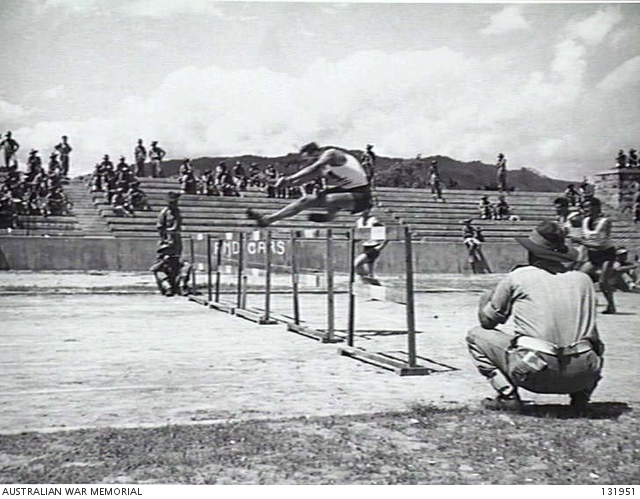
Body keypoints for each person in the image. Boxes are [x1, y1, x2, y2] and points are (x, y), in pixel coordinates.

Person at [466, 220, 605, 414]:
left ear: (531, 252)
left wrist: (485, 300)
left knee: (475, 335)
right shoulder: (583, 280)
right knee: (592, 342)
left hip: (534, 371)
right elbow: (596, 340)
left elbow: (488, 322)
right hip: (582, 374)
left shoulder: (519, 276)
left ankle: (507, 395)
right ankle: (581, 398)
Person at [247, 142, 372, 227]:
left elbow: (313, 167)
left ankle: (331, 215)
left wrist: (289, 178)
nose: (307, 162)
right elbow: (296, 182)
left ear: (316, 153)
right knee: (306, 200)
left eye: (308, 159)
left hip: (361, 194)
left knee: (329, 197)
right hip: (345, 192)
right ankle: (268, 220)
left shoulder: (332, 154)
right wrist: (269, 181)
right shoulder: (321, 169)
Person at [569, 197, 617, 314]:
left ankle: (611, 305)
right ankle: (585, 303)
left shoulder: (605, 222)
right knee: (579, 277)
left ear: (597, 207)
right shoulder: (585, 221)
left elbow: (600, 244)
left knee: (602, 282)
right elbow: (573, 222)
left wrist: (581, 241)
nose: (586, 209)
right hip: (593, 254)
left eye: (588, 207)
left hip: (606, 253)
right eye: (584, 207)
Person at [353, 209, 388, 285]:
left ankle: (363, 278)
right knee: (370, 274)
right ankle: (377, 289)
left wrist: (382, 245)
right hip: (365, 246)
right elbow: (360, 235)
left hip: (374, 246)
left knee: (356, 263)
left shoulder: (373, 220)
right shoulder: (359, 221)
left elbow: (385, 231)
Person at [157, 191, 182, 258]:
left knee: (176, 256)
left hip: (176, 237)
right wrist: (164, 239)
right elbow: (160, 227)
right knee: (166, 257)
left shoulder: (177, 211)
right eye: (173, 202)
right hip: (168, 237)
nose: (175, 204)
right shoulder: (164, 212)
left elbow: (177, 223)